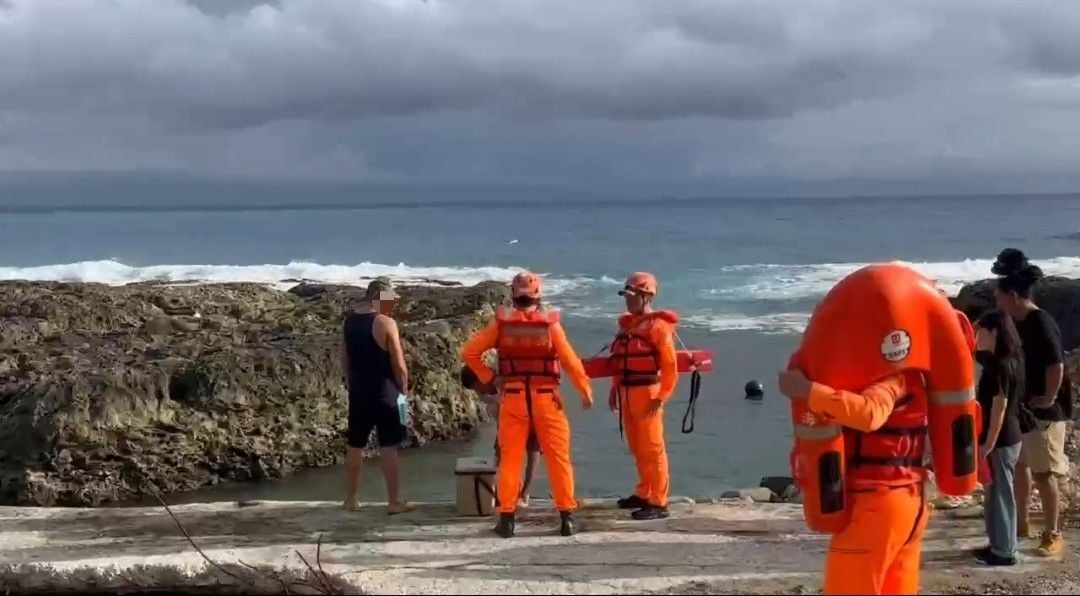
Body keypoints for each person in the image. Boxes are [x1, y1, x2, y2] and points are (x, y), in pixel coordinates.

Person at [779, 262, 978, 595]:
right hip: (908, 503)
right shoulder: (914, 374)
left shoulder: (894, 379)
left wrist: (808, 391)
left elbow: (869, 414)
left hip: (877, 507)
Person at [460, 271, 594, 538]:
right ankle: (566, 517)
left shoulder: (501, 326)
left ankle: (507, 519)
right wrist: (585, 390)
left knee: (510, 459)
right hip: (547, 399)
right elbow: (571, 363)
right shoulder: (551, 326)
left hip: (513, 398)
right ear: (538, 295)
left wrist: (490, 378)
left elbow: (469, 352)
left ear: (513, 294)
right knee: (558, 459)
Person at [994, 260, 1069, 556]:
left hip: (1045, 411)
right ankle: (1020, 523)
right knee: (1021, 466)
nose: (996, 300)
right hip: (1022, 407)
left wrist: (1049, 397)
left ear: (1012, 295)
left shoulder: (1040, 320)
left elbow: (1056, 363)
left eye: (999, 295)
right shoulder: (1012, 322)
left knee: (1044, 472)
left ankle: (1053, 533)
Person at [607, 272, 679, 520]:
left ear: (646, 296)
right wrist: (614, 389)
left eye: (632, 296)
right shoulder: (627, 325)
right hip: (627, 391)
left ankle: (659, 501)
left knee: (653, 448)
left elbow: (670, 366)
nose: (627, 301)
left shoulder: (659, 327)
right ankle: (644, 491)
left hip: (648, 392)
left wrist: (661, 397)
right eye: (626, 296)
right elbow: (619, 362)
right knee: (637, 446)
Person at [341, 277, 415, 514]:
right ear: (379, 298)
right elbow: (399, 364)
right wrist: (404, 392)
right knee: (389, 446)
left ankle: (351, 498)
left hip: (359, 392)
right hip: (386, 393)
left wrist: (351, 384)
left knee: (355, 444)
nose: (392, 304)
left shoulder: (349, 322)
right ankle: (393, 502)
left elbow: (344, 360)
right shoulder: (385, 322)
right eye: (390, 299)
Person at [972, 310, 1025, 566]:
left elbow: (999, 407)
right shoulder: (999, 360)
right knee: (993, 493)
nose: (976, 336)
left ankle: (1006, 550)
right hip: (1000, 438)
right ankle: (997, 544)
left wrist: (989, 443)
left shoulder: (1002, 365)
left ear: (993, 333)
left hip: (1002, 439)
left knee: (1002, 493)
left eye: (981, 331)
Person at [459, 364, 541, 508]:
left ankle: (525, 492)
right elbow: (500, 412)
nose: (479, 392)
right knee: (501, 454)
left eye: (478, 387)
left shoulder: (502, 379)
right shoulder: (484, 394)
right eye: (475, 390)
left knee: (532, 449)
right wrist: (499, 434)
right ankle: (513, 490)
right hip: (506, 417)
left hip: (531, 409)